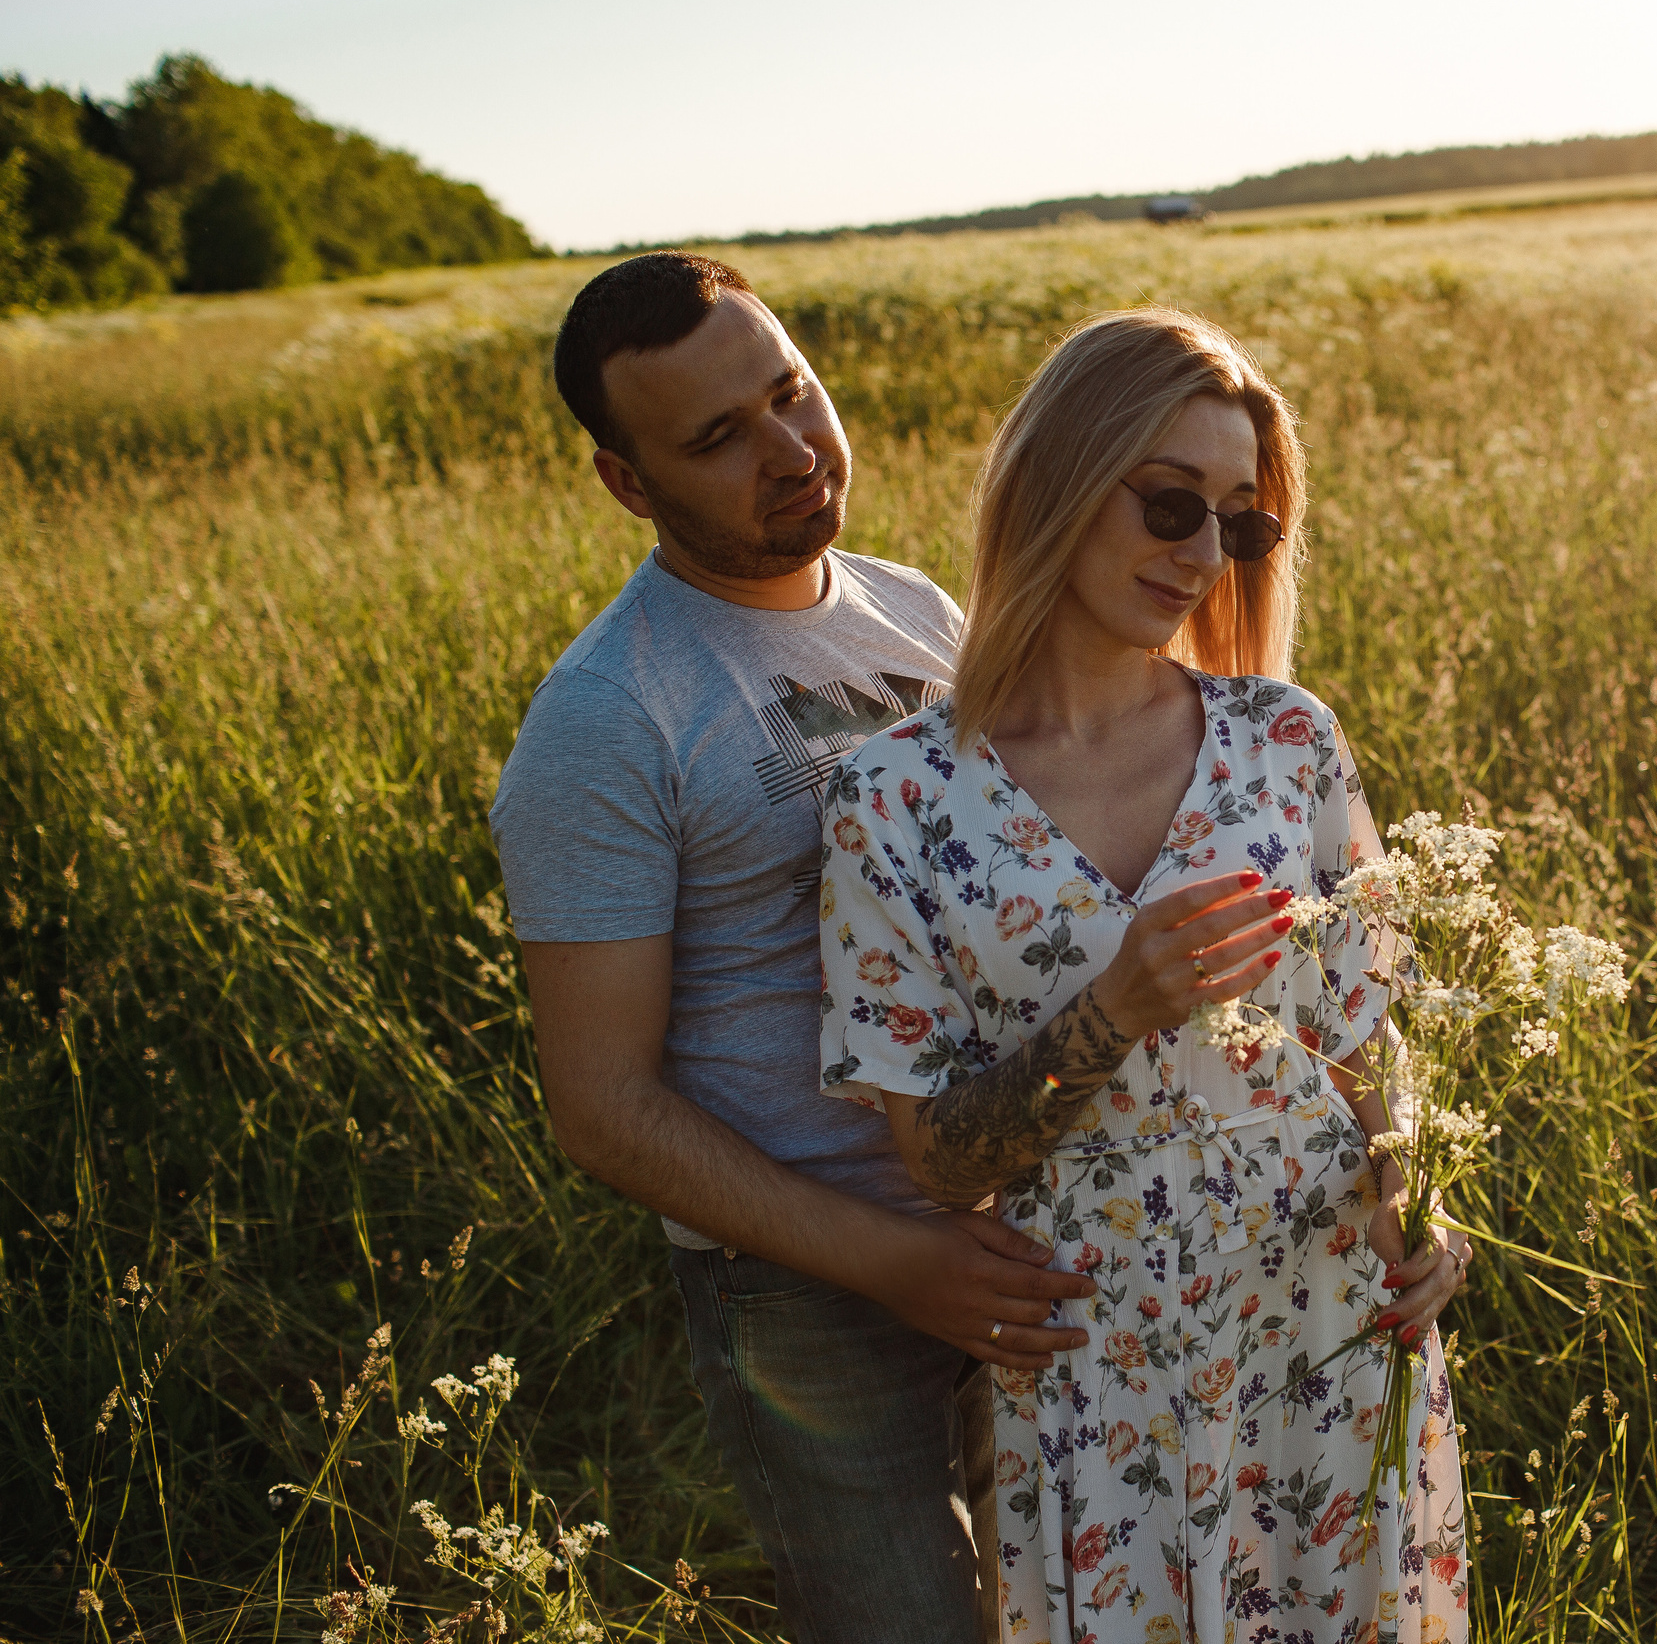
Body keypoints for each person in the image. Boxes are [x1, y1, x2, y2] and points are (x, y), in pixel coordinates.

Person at [815, 308, 1472, 1644]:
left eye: (1242, 523)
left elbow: (1368, 1044)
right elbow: (939, 1162)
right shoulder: (893, 800)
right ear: (1057, 477)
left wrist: (1425, 1207)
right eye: (1172, 502)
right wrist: (1114, 1009)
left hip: (1328, 1319)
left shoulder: (1286, 737)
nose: (1200, 555)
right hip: (1096, 1359)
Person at [489, 251, 1096, 1644]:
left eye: (791, 392)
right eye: (716, 438)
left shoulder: (918, 610)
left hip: (1017, 1227)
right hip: (809, 1288)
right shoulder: (606, 718)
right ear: (627, 484)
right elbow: (601, 1109)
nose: (791, 449)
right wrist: (890, 1259)